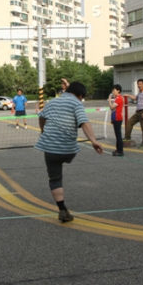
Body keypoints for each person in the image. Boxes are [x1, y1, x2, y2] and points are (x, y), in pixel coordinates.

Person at [34, 82, 103, 222]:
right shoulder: (77, 104)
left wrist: (42, 131)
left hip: (50, 147)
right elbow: (84, 122)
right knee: (66, 156)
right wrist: (93, 141)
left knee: (55, 178)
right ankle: (64, 211)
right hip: (68, 150)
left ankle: (62, 209)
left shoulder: (52, 102)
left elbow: (41, 117)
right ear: (81, 95)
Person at [124, 79, 143, 148]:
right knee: (129, 122)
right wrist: (128, 95)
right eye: (138, 84)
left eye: (141, 84)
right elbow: (136, 98)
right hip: (138, 112)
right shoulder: (140, 92)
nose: (139, 86)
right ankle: (127, 137)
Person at [108, 84, 124, 157]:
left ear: (118, 91)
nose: (113, 92)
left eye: (114, 90)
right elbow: (114, 110)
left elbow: (112, 107)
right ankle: (118, 149)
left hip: (118, 118)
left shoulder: (119, 98)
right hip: (115, 118)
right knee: (117, 135)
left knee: (118, 135)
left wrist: (109, 100)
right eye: (113, 90)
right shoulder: (117, 98)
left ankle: (120, 150)